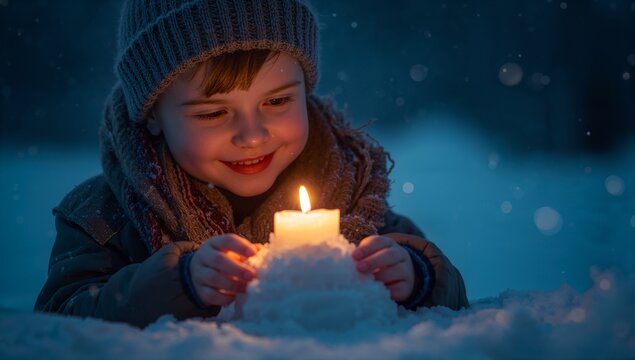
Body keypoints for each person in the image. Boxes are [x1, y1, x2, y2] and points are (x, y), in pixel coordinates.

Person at [34, 0, 468, 328]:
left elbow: (452, 303)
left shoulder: (354, 201)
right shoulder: (104, 217)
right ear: (151, 116)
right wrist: (176, 284)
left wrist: (416, 277)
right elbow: (60, 321)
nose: (253, 135)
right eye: (212, 113)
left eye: (277, 101)